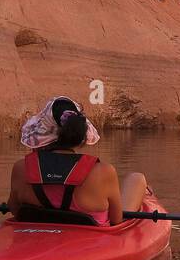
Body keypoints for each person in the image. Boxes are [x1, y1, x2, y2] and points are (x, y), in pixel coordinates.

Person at [8, 96, 148, 226]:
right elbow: (117, 220)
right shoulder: (103, 172)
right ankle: (147, 194)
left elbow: (14, 209)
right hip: (91, 241)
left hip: (37, 236)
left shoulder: (21, 168)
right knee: (137, 178)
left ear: (44, 134)